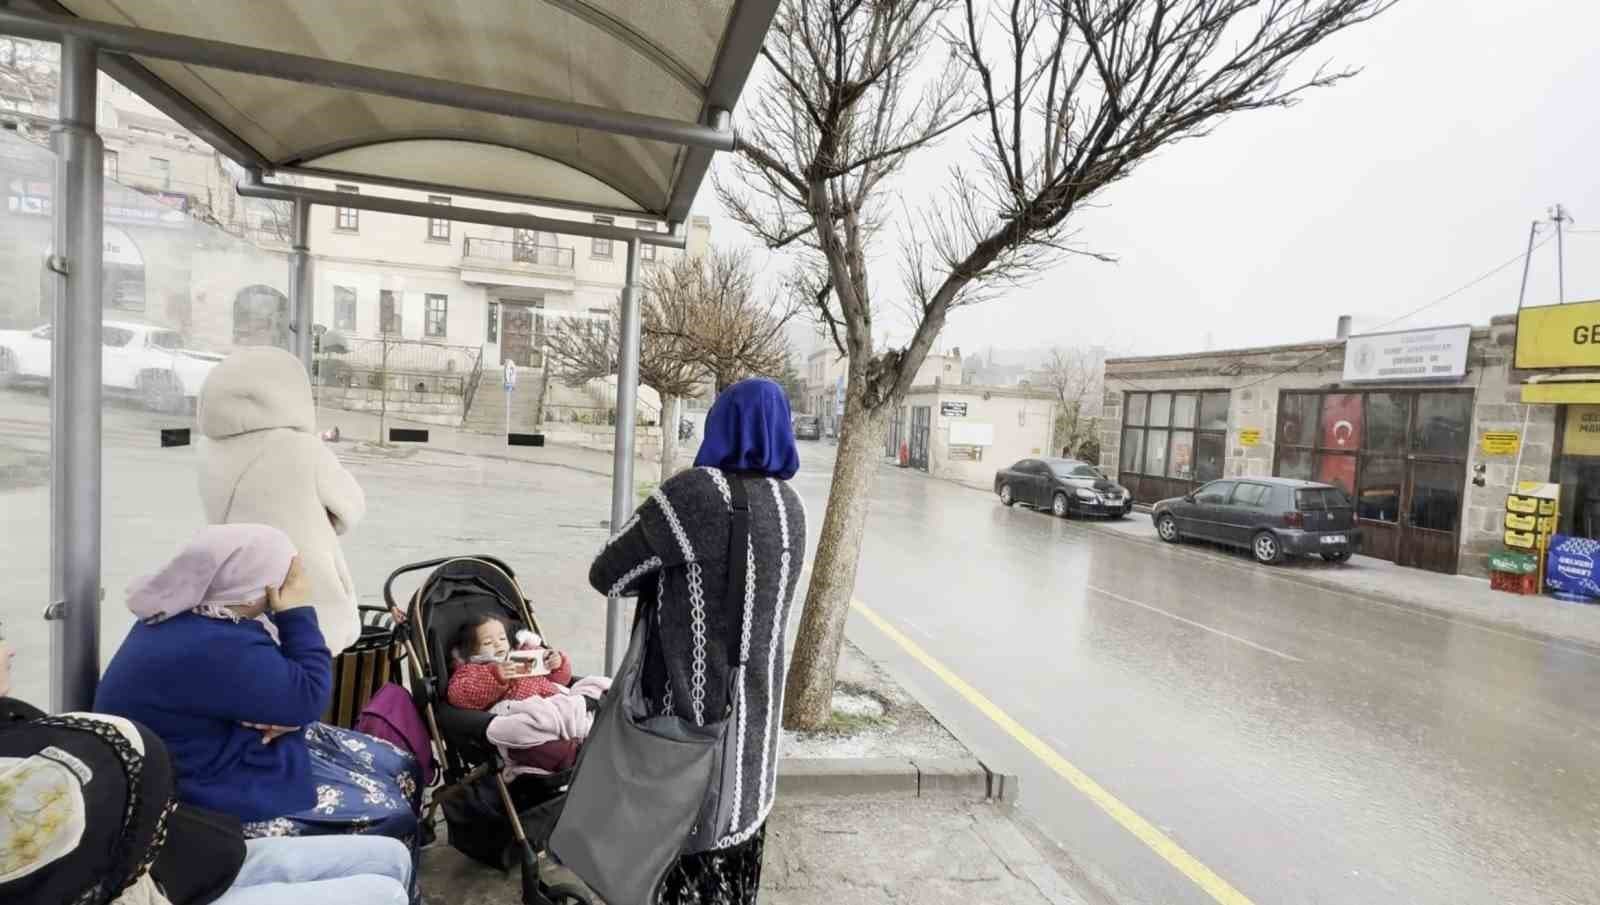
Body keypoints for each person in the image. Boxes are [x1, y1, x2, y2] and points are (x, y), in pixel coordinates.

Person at [0, 620, 414, 905]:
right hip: (155, 889)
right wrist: (297, 613)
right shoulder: (205, 638)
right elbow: (308, 695)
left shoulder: (16, 719)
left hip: (187, 855)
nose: (12, 647)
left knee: (392, 856)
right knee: (384, 889)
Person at [588, 378, 806, 905]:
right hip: (753, 753)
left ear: (720, 425)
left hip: (685, 739)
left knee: (675, 876)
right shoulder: (790, 506)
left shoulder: (693, 495)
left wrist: (665, 572)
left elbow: (608, 576)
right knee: (733, 884)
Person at [94, 525, 422, 848]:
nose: (293, 581)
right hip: (197, 800)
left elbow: (286, 692)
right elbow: (309, 697)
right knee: (392, 816)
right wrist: (296, 611)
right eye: (285, 574)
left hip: (214, 752)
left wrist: (291, 712)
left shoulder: (195, 614)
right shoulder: (217, 643)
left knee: (400, 763)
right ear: (260, 585)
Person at [197, 346, 368, 654]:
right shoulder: (302, 449)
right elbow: (351, 508)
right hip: (306, 593)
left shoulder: (208, 451)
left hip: (239, 595)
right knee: (309, 678)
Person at [446, 614, 573, 710]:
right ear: (471, 651)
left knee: (590, 685)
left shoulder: (526, 652)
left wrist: (557, 664)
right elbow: (458, 696)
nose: (498, 644)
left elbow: (562, 680)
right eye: (487, 642)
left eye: (502, 638)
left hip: (554, 700)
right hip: (519, 711)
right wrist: (495, 677)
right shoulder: (472, 669)